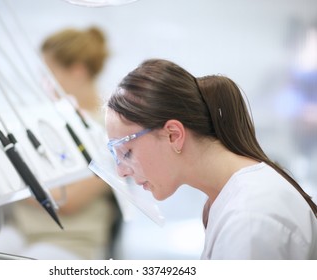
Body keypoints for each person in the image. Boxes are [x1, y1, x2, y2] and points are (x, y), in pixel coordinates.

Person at [104, 58, 317, 259]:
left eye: (127, 151)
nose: (121, 171)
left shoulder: (250, 216)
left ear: (173, 135)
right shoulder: (233, 199)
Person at [11, 26, 121, 259]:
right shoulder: (51, 120)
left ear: (78, 71)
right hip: (24, 231)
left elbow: (68, 200)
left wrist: (13, 186)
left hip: (72, 242)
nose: (43, 82)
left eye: (49, 73)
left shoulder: (113, 130)